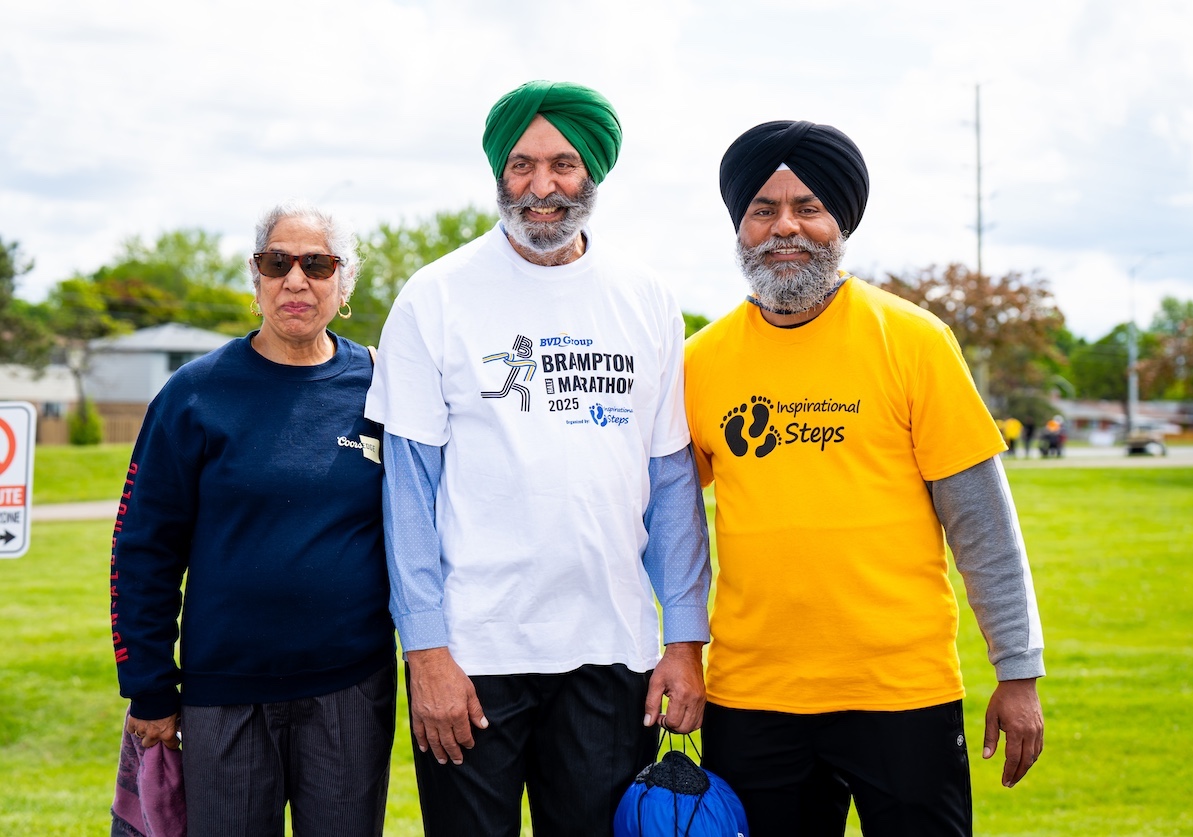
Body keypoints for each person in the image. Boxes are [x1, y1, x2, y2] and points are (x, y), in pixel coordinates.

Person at [365, 80, 712, 836]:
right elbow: (408, 495)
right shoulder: (435, 296)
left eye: (562, 164)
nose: (541, 186)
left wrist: (684, 640)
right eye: (520, 165)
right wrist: (426, 652)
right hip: (472, 655)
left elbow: (671, 484)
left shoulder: (647, 298)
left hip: (611, 651)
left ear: (594, 171)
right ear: (499, 173)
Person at [685, 120, 1045, 836]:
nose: (785, 227)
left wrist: (1018, 670)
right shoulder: (700, 362)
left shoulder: (913, 340)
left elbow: (982, 523)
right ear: (740, 226)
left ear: (841, 222)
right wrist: (678, 651)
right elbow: (669, 524)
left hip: (902, 691)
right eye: (763, 209)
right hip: (752, 696)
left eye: (808, 207)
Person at [111, 200, 396, 837]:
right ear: (256, 277)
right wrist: (149, 686)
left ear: (343, 282)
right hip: (224, 691)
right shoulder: (193, 393)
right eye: (277, 263)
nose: (296, 280)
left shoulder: (381, 386)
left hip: (351, 687)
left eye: (317, 265)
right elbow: (143, 549)